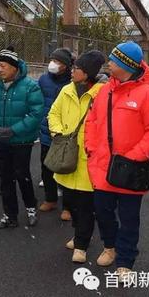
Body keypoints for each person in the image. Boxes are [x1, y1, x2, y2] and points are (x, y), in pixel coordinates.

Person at [85, 42, 149, 281]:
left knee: (129, 218)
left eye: (113, 60)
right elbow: (92, 121)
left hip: (130, 171)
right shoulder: (104, 91)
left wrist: (134, 156)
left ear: (125, 64)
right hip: (102, 168)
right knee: (102, 212)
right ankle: (109, 246)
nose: (108, 63)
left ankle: (125, 259)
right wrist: (90, 147)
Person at [48, 50, 107, 263]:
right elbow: (53, 113)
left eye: (77, 69)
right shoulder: (66, 90)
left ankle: (81, 245)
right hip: (66, 156)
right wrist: (57, 133)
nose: (72, 71)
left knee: (85, 206)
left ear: (88, 73)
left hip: (89, 159)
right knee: (71, 202)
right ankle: (79, 234)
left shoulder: (103, 93)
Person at [0, 46, 44, 229]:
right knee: (5, 177)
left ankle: (31, 208)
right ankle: (9, 215)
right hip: (2, 139)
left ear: (14, 67)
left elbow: (36, 113)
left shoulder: (30, 86)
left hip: (21, 140)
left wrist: (14, 130)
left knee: (22, 174)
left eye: (2, 66)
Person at [38, 48, 74, 220]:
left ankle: (68, 207)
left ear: (66, 67)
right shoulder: (43, 79)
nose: (53, 64)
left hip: (65, 134)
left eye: (58, 62)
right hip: (46, 131)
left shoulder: (73, 82)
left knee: (65, 169)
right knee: (46, 167)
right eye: (52, 60)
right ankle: (50, 198)